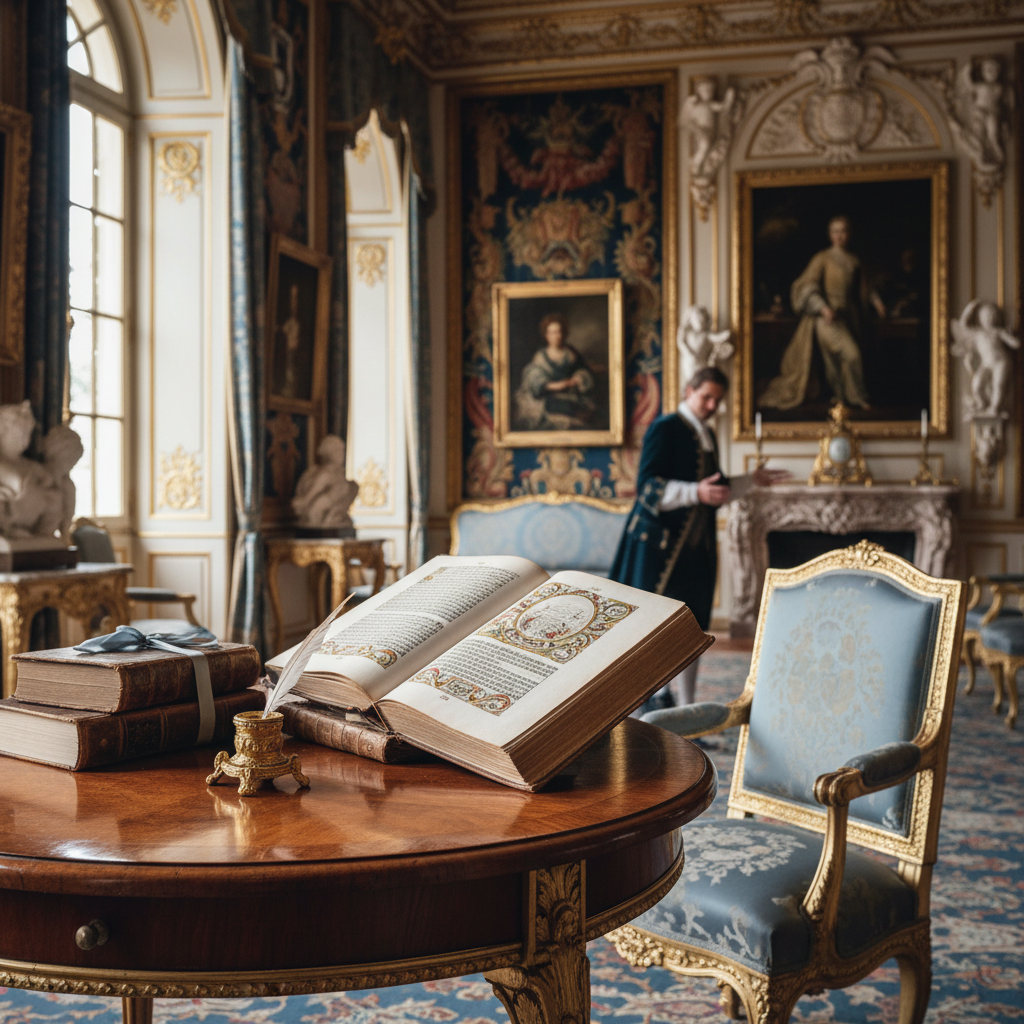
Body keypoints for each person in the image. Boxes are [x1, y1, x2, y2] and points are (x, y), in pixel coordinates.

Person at [610, 367, 788, 711]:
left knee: (692, 630)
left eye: (717, 400)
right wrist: (696, 492)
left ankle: (686, 709)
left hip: (695, 549)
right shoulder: (665, 428)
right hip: (660, 550)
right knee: (653, 632)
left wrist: (751, 480)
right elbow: (648, 489)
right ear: (688, 391)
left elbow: (712, 491)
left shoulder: (704, 432)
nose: (711, 405)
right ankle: (651, 701)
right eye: (706, 397)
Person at [759, 215, 885, 412]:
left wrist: (877, 303)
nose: (839, 235)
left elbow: (865, 287)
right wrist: (823, 308)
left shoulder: (853, 259)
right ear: (830, 235)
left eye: (843, 231)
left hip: (849, 317)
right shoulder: (822, 258)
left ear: (848, 234)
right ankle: (858, 397)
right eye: (835, 231)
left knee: (839, 359)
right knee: (850, 355)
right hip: (826, 318)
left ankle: (841, 398)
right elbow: (806, 285)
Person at [513, 313, 597, 431]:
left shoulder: (571, 353)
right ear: (546, 335)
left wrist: (577, 379)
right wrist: (554, 386)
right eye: (552, 333)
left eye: (559, 332)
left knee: (585, 417)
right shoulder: (541, 356)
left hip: (572, 396)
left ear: (564, 333)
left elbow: (583, 370)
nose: (557, 336)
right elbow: (533, 377)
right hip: (549, 398)